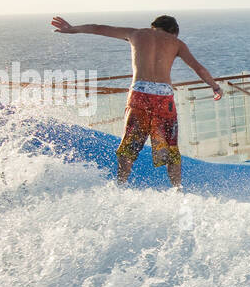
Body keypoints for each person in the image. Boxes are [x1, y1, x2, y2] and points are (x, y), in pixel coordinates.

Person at [51, 14, 222, 188]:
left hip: (140, 92)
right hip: (164, 97)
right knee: (170, 147)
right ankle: (177, 189)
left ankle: (121, 184)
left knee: (129, 144)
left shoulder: (136, 34)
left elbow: (99, 28)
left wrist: (72, 29)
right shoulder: (176, 43)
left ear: (154, 26)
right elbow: (198, 68)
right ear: (173, 31)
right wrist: (215, 86)